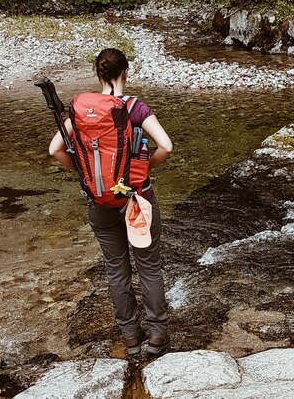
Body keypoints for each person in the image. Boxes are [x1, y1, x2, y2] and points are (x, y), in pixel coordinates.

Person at [48, 48, 172, 356]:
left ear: (99, 74)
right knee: (149, 269)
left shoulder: (83, 111)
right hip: (137, 201)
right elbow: (166, 146)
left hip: (99, 204)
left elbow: (55, 150)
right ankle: (157, 336)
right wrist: (141, 170)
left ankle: (130, 337)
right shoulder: (134, 108)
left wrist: (87, 175)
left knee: (117, 270)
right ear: (125, 73)